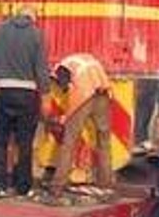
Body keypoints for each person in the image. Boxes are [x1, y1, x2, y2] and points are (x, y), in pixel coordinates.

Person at [0, 6, 51, 198]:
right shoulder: (36, 34)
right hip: (27, 94)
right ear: (33, 18)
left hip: (3, 91)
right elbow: (41, 69)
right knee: (24, 142)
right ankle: (23, 187)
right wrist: (46, 96)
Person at [45, 53, 115, 200]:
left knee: (68, 142)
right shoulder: (83, 59)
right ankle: (106, 184)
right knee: (104, 141)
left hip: (85, 95)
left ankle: (57, 186)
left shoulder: (62, 68)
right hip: (103, 94)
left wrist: (66, 117)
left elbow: (72, 93)